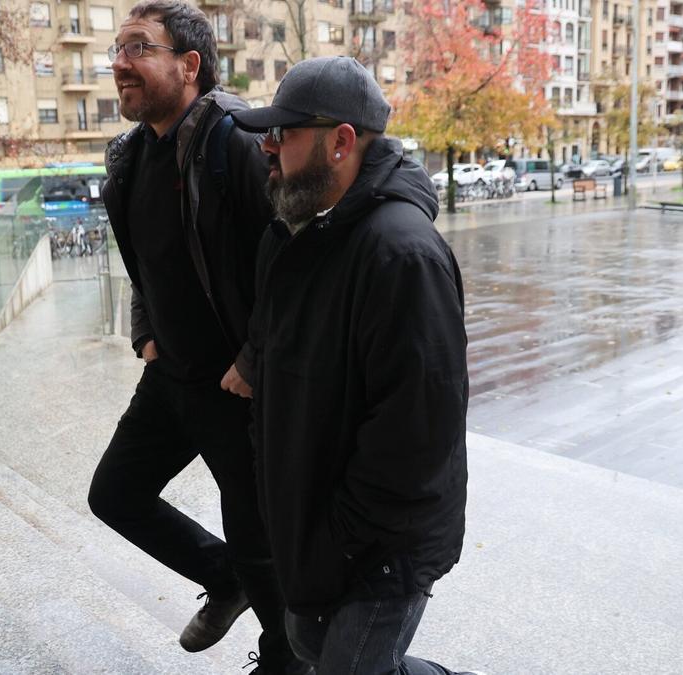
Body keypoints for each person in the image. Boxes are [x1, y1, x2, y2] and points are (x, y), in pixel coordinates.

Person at [227, 57, 476, 674]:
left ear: (340, 142)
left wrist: (338, 541)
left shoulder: (402, 254)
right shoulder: (289, 236)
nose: (269, 147)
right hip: (314, 528)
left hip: (378, 545)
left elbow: (416, 438)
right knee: (310, 646)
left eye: (285, 133)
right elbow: (274, 351)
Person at [86, 2, 300, 673]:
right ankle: (222, 573)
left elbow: (293, 257)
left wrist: (255, 357)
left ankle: (287, 659)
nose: (121, 62)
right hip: (170, 375)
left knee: (258, 536)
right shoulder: (128, 156)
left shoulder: (234, 141)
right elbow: (144, 261)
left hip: (234, 386)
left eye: (139, 48)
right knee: (114, 493)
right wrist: (146, 331)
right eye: (118, 48)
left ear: (189, 65)